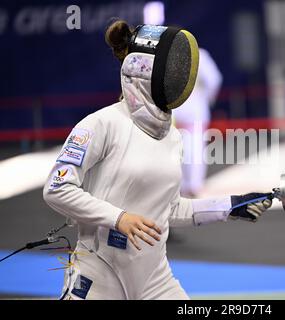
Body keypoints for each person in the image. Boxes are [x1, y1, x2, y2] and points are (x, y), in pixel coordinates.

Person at [42, 20, 272, 300]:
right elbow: (57, 188)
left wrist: (230, 206)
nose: (180, 77)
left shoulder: (171, 137)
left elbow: (169, 208)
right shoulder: (101, 123)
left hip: (155, 279)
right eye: (173, 69)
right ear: (146, 73)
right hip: (97, 276)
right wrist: (119, 218)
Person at [172, 48, 222, 198]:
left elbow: (213, 80)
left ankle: (186, 186)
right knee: (192, 149)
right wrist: (206, 98)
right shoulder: (198, 54)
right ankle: (192, 186)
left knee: (177, 149)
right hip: (191, 108)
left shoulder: (170, 53)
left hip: (180, 109)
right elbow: (214, 80)